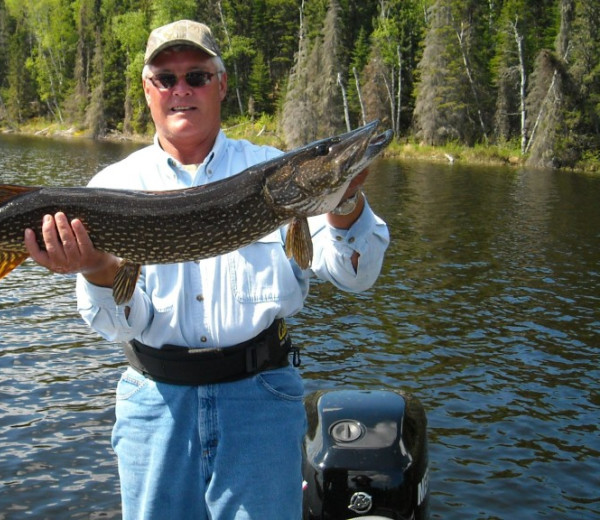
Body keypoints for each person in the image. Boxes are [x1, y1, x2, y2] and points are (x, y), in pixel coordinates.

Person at [24, 19, 390, 520]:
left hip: (260, 401)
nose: (181, 91)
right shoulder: (111, 185)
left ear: (221, 84)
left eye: (196, 77)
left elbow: (355, 273)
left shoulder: (273, 171)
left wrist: (344, 206)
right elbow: (113, 324)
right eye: (165, 79)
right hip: (154, 403)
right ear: (148, 90)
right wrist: (97, 269)